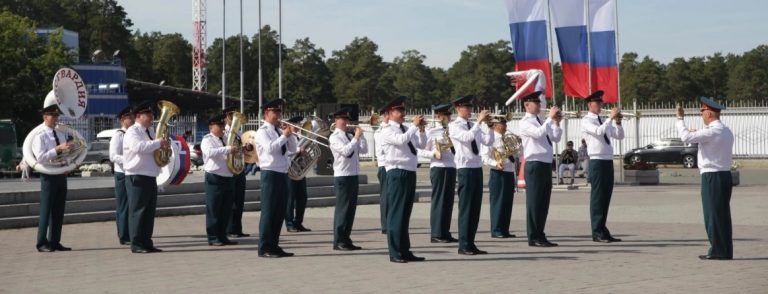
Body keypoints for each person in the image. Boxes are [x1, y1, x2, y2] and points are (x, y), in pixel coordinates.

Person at [676, 97, 734, 260]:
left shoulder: (712, 131)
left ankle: (717, 250)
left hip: (712, 175)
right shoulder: (725, 130)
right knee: (722, 214)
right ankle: (724, 249)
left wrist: (680, 119)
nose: (701, 115)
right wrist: (696, 134)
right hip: (724, 174)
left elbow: (685, 137)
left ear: (708, 113)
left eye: (702, 111)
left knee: (712, 215)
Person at [380, 96, 427, 263]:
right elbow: (401, 141)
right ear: (390, 113)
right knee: (396, 213)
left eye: (403, 110)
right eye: (399, 110)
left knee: (405, 214)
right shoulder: (387, 130)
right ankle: (395, 251)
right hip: (397, 173)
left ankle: (405, 250)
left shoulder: (406, 128)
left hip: (409, 171)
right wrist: (414, 127)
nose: (403, 113)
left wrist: (420, 129)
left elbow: (420, 145)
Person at [253, 99, 298, 258]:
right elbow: (271, 149)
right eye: (275, 112)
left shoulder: (279, 131)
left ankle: (274, 245)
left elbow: (293, 149)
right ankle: (264, 247)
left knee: (279, 211)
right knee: (269, 211)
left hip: (282, 173)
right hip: (270, 173)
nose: (278, 115)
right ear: (266, 113)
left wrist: (290, 135)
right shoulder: (262, 131)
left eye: (279, 112)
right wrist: (285, 135)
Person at [123, 101, 170, 253]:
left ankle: (147, 241)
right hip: (137, 175)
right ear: (138, 116)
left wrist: (163, 149)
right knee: (138, 211)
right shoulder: (133, 131)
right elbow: (138, 147)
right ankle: (136, 243)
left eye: (151, 115)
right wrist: (158, 143)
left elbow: (152, 149)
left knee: (149, 212)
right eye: (148, 115)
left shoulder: (149, 131)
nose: (151, 118)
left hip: (150, 174)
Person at [449, 95, 494, 255]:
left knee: (475, 208)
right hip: (465, 168)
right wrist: (479, 122)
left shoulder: (474, 125)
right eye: (466, 107)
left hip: (476, 167)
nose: (469, 110)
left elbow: (488, 142)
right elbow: (467, 138)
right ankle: (463, 244)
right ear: (458, 109)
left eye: (470, 107)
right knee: (466, 208)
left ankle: (471, 242)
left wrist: (489, 126)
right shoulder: (454, 126)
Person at [518, 91, 562, 247]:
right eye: (535, 103)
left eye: (539, 102)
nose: (539, 105)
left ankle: (540, 233)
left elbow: (556, 138)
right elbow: (538, 134)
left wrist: (556, 122)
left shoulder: (542, 121)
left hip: (545, 163)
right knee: (534, 202)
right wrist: (550, 119)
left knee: (544, 202)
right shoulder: (525, 122)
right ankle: (533, 236)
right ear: (526, 105)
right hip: (534, 163)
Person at [581, 90, 625, 243]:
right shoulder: (587, 120)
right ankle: (597, 231)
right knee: (598, 197)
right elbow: (599, 132)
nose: (600, 105)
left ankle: (603, 229)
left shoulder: (602, 120)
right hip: (596, 161)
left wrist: (618, 122)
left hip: (607, 160)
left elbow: (619, 136)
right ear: (589, 104)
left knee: (606, 196)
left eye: (601, 102)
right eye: (597, 103)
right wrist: (610, 119)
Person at [33, 104, 73, 252]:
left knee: (58, 209)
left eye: (57, 116)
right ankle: (41, 242)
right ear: (45, 117)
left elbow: (65, 153)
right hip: (49, 175)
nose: (56, 119)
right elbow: (40, 157)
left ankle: (55, 241)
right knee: (46, 210)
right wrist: (57, 149)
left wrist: (68, 163)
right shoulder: (40, 135)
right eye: (53, 116)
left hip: (61, 174)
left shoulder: (60, 133)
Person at [416, 103, 458, 243]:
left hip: (451, 166)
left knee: (448, 201)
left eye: (449, 115)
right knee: (439, 200)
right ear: (439, 116)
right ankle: (436, 233)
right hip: (438, 166)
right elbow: (420, 149)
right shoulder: (431, 131)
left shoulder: (453, 129)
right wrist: (434, 154)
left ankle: (445, 231)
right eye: (445, 115)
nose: (448, 118)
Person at [329, 108, 368, 250]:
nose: (345, 122)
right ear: (336, 121)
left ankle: (346, 238)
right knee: (343, 210)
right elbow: (346, 152)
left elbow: (363, 151)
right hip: (342, 176)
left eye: (347, 119)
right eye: (342, 119)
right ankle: (339, 240)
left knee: (350, 210)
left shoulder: (349, 136)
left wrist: (361, 136)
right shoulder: (334, 137)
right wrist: (356, 138)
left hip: (353, 175)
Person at [201, 114, 239, 246]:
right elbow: (210, 152)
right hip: (214, 177)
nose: (223, 128)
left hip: (228, 176)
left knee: (226, 209)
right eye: (220, 125)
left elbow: (234, 149)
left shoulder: (226, 138)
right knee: (214, 208)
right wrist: (228, 149)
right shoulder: (207, 139)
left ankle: (223, 236)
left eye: (223, 125)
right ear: (211, 127)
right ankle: (212, 237)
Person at [480, 113, 516, 239]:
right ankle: (496, 229)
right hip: (498, 172)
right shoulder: (490, 139)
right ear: (495, 125)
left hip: (509, 172)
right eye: (503, 123)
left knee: (507, 202)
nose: (505, 126)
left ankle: (504, 229)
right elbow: (484, 158)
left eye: (505, 123)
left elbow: (515, 155)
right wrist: (496, 163)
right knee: (498, 202)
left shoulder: (507, 138)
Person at [222, 106, 251, 238]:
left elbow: (242, 149)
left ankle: (237, 228)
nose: (233, 120)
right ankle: (229, 229)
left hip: (239, 168)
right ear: (225, 118)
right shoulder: (224, 133)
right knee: (231, 200)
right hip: (229, 169)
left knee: (239, 200)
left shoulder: (239, 134)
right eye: (231, 116)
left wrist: (246, 148)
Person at [109, 105, 134, 246]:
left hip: (132, 173)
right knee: (123, 205)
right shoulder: (119, 135)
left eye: (132, 117)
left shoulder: (134, 134)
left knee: (132, 204)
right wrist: (129, 160)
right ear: (122, 120)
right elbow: (113, 156)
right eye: (128, 117)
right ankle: (124, 235)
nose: (131, 119)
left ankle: (131, 232)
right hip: (122, 173)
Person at [285, 116, 312, 233]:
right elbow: (285, 153)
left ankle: (298, 222)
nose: (298, 127)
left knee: (302, 197)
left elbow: (302, 153)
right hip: (289, 170)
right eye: (295, 124)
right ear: (289, 125)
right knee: (290, 199)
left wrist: (308, 156)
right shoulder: (286, 137)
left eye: (298, 124)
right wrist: (297, 151)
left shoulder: (300, 137)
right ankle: (289, 223)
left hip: (300, 171)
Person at [373, 109, 390, 234]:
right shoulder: (380, 131)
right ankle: (385, 225)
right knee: (385, 196)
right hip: (384, 166)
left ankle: (390, 222)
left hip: (391, 166)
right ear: (385, 116)